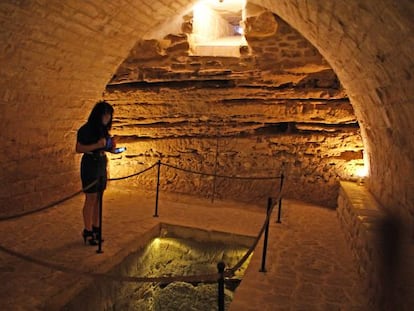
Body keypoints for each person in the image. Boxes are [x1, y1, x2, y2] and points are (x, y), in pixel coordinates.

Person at [76, 100, 116, 245]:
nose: (107, 118)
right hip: (90, 165)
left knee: (99, 199)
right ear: (98, 115)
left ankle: (96, 228)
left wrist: (110, 147)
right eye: (105, 115)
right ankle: (87, 231)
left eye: (109, 115)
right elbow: (79, 148)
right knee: (91, 198)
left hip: (100, 164)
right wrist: (96, 145)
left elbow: (103, 147)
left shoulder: (103, 130)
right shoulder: (86, 129)